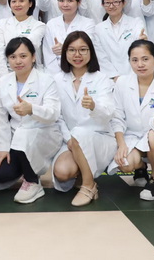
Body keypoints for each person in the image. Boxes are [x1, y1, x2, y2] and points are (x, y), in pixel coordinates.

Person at [0, 37, 62, 203]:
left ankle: (32, 182)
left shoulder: (46, 80)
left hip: (44, 133)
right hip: (16, 137)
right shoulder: (3, 82)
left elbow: (53, 113)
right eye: (13, 57)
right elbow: (1, 119)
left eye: (23, 56)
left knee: (24, 136)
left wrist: (32, 109)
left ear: (33, 57)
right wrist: (3, 149)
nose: (18, 61)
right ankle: (26, 168)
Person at [51, 31, 116, 206]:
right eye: (72, 50)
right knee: (62, 172)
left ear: (90, 52)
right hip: (69, 140)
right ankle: (81, 171)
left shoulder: (102, 79)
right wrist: (69, 139)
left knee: (80, 133)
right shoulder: (56, 80)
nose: (77, 55)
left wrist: (94, 106)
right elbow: (57, 116)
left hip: (99, 137)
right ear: (65, 53)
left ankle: (88, 185)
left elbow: (109, 113)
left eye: (83, 50)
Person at [109, 40, 154, 201]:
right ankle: (141, 167)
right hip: (131, 135)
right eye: (135, 60)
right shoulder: (122, 83)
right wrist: (121, 144)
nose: (140, 64)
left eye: (145, 59)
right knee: (125, 165)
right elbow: (117, 117)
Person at [92, 0, 148, 80]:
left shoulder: (136, 23)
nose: (111, 6)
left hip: (135, 75)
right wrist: (114, 77)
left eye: (116, 2)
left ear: (123, 3)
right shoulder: (98, 29)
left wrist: (143, 41)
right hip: (110, 79)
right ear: (103, 5)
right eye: (107, 3)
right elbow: (101, 57)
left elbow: (140, 46)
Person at [0, 0, 46, 79]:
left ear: (30, 3)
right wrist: (6, 77)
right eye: (13, 1)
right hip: (4, 73)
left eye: (21, 1)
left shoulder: (39, 26)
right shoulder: (2, 24)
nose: (17, 4)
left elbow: (28, 47)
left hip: (30, 73)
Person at [42, 0, 96, 73]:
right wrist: (57, 76)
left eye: (70, 1)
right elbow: (48, 55)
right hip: (55, 74)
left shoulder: (88, 24)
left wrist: (64, 49)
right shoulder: (51, 24)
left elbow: (86, 50)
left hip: (80, 71)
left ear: (79, 2)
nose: (65, 5)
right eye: (61, 0)